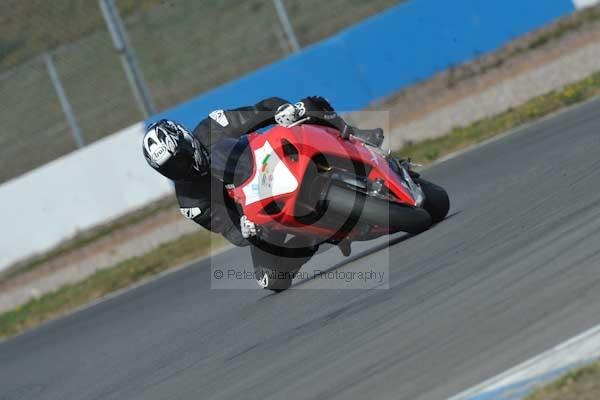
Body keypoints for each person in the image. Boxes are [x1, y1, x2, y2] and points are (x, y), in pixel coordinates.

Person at [142, 96, 383, 289]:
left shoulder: (215, 126)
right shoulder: (190, 200)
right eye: (171, 170)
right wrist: (247, 231)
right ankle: (317, 235)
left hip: (275, 160)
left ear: (186, 141)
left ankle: (353, 135)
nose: (181, 169)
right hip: (259, 209)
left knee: (306, 106)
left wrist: (283, 112)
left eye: (180, 160)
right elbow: (229, 228)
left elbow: (265, 108)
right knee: (268, 278)